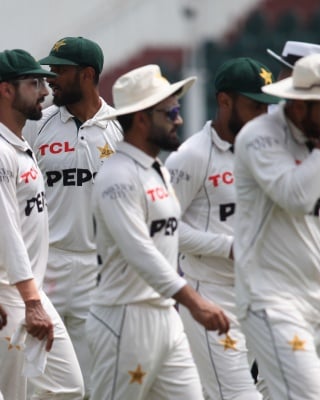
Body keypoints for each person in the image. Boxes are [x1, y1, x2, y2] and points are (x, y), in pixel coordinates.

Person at [88, 64, 229, 399]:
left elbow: (173, 234)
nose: (178, 120)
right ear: (141, 118)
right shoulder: (117, 176)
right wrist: (196, 302)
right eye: (171, 112)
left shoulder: (157, 170)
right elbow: (140, 252)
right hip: (125, 318)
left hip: (165, 317)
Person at [233, 53, 320, 400]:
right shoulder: (259, 137)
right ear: (300, 105)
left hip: (318, 300)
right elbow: (295, 194)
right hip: (270, 298)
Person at [164, 57, 278, 400]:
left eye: (267, 106)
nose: (264, 115)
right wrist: (227, 246)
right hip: (210, 296)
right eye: (254, 105)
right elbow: (162, 229)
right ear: (225, 101)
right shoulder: (191, 156)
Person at [22, 36, 122, 394]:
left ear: (87, 75)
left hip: (99, 272)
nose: (50, 78)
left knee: (92, 380)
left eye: (59, 70)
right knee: (35, 373)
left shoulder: (120, 127)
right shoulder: (37, 124)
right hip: (46, 265)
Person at [0, 48, 84, 399]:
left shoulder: (18, 143)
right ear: (6, 90)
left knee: (66, 387)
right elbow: (5, 230)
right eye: (34, 83)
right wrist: (31, 301)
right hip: (12, 294)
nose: (45, 92)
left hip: (26, 291)